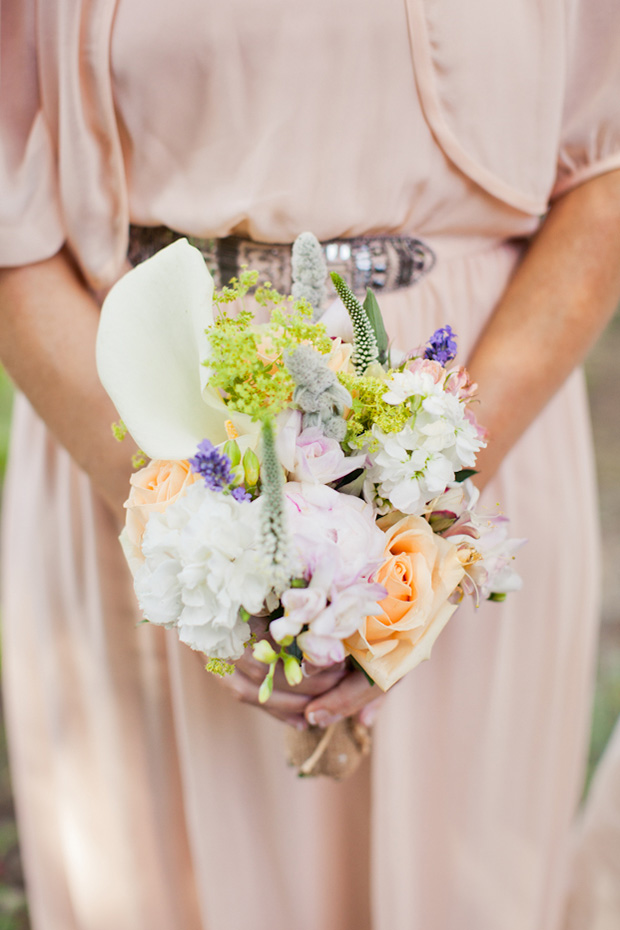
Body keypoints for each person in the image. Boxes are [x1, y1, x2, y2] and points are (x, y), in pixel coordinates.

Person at [1, 1, 619, 928]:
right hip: (134, 451)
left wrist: (419, 515)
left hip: (478, 436)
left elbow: (604, 173)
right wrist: (189, 532)